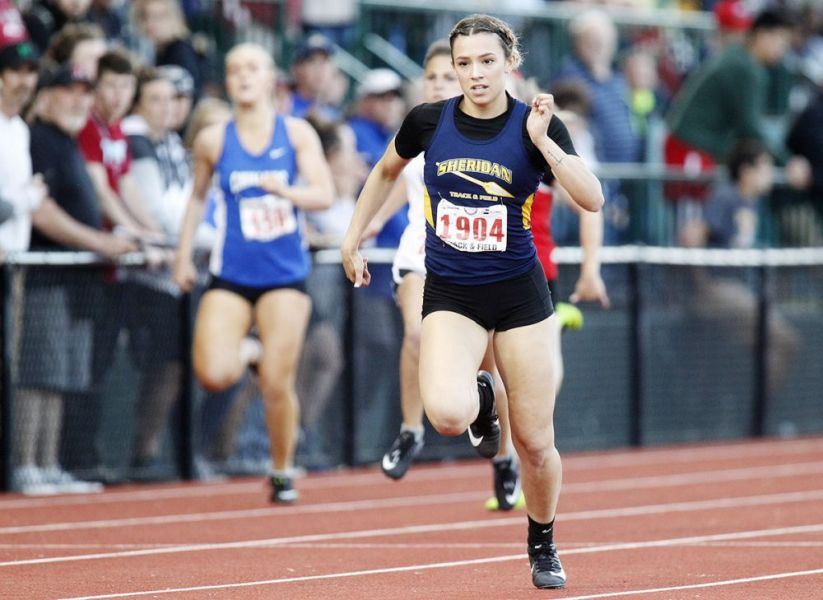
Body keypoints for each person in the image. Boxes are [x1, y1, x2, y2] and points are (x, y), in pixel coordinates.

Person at [341, 15, 603, 589]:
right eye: (464, 64)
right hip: (452, 291)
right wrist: (352, 236)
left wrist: (545, 148)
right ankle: (483, 398)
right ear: (452, 68)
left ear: (510, 61)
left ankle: (543, 542)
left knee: (535, 443)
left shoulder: (535, 122)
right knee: (447, 415)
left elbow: (593, 198)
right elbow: (386, 170)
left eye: (487, 61)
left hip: (519, 296)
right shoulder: (428, 121)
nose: (476, 74)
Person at [174, 43, 334, 503]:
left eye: (253, 68)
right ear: (227, 81)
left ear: (270, 79)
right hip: (232, 273)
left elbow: (323, 194)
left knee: (277, 383)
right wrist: (182, 255)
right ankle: (247, 349)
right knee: (211, 372)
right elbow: (198, 198)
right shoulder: (213, 139)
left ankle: (282, 470)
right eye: (235, 69)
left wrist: (284, 190)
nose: (244, 76)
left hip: (284, 275)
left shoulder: (297, 132)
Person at [17, 61, 136, 492]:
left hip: (74, 280)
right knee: (39, 375)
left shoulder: (66, 142)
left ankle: (48, 463)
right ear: (45, 96)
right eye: (70, 91)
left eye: (86, 92)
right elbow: (41, 210)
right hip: (43, 274)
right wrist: (98, 242)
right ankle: (26, 462)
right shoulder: (40, 139)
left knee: (63, 375)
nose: (80, 100)